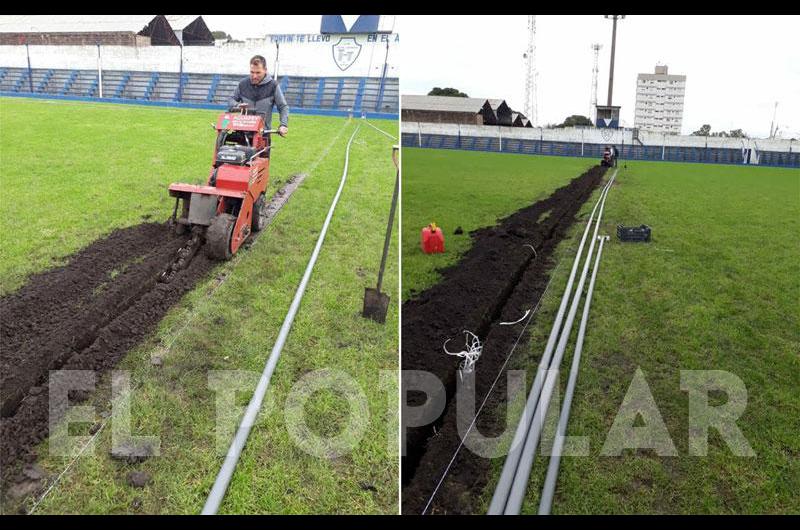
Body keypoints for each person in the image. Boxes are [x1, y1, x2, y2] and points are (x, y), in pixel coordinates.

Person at [229, 55, 288, 137]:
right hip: (243, 133)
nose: (254, 76)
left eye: (258, 72)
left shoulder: (273, 86)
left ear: (265, 70)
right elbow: (231, 100)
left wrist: (283, 125)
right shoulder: (243, 84)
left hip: (263, 135)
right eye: (252, 72)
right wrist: (237, 105)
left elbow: (283, 107)